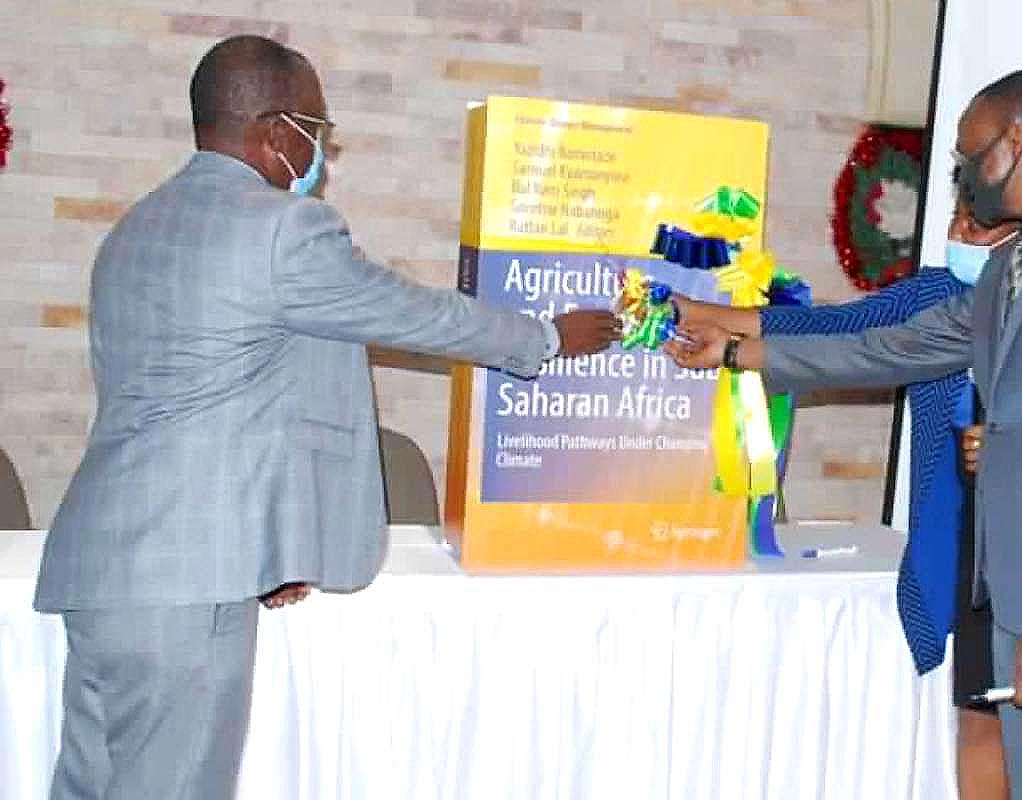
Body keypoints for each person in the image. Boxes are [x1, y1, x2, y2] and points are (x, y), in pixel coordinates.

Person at [34, 35, 619, 799]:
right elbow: (415, 314)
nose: (322, 154)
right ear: (278, 134)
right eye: (318, 129)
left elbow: (217, 407)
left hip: (100, 569)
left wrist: (271, 549)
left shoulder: (131, 232)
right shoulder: (282, 229)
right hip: (188, 586)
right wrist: (545, 337)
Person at [668, 70, 1022, 800]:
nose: (963, 177)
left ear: (1020, 140)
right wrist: (735, 352)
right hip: (1019, 598)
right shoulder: (1017, 262)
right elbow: (886, 348)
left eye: (970, 156)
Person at [674, 192, 1015, 800]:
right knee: (979, 714)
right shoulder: (934, 293)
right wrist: (714, 316)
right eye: (956, 219)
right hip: (954, 532)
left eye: (980, 225)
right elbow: (839, 331)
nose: (961, 233)